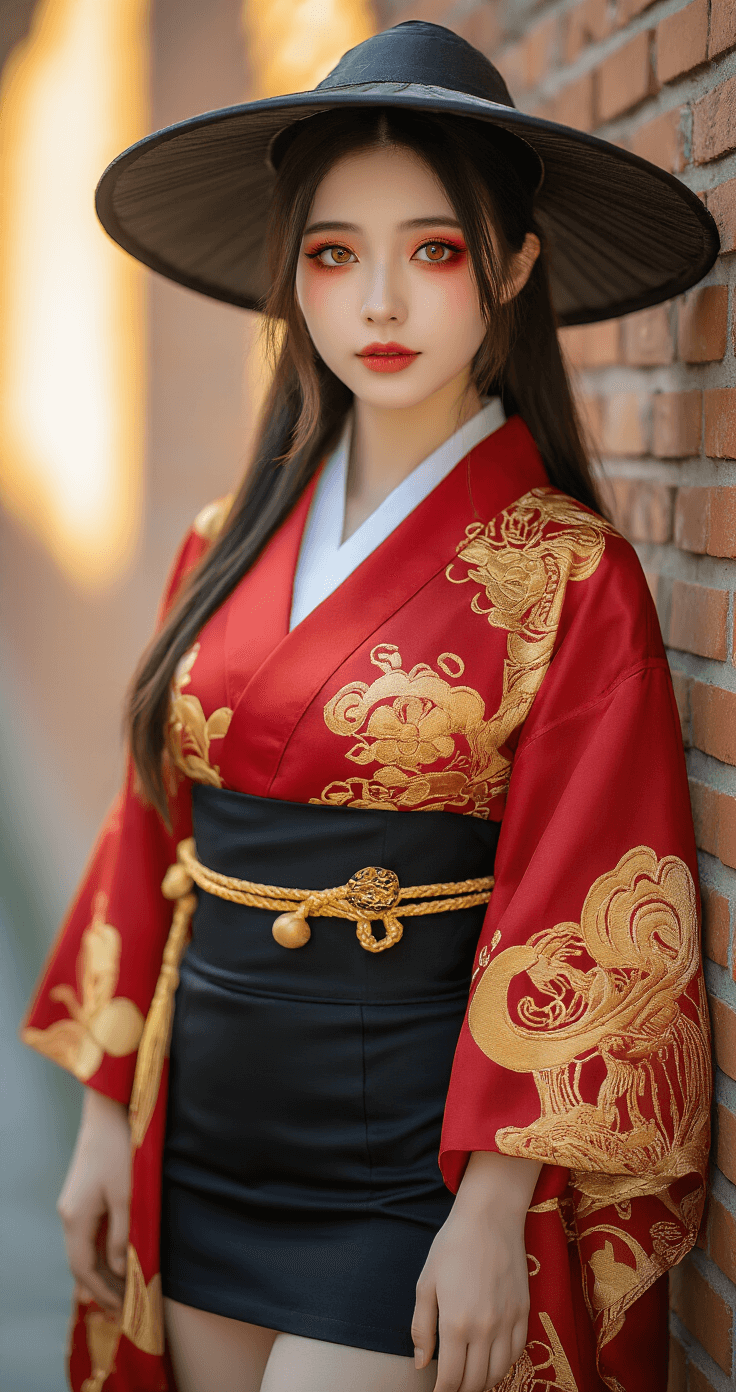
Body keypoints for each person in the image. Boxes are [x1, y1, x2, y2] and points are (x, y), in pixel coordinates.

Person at [21, 20, 716, 1392]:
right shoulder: (228, 535)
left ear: (510, 265)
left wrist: (492, 1207)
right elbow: (149, 823)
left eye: (433, 251)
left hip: (412, 1158)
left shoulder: (571, 575)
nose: (379, 303)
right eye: (335, 253)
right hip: (205, 1130)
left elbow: (587, 893)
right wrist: (107, 1115)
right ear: (295, 275)